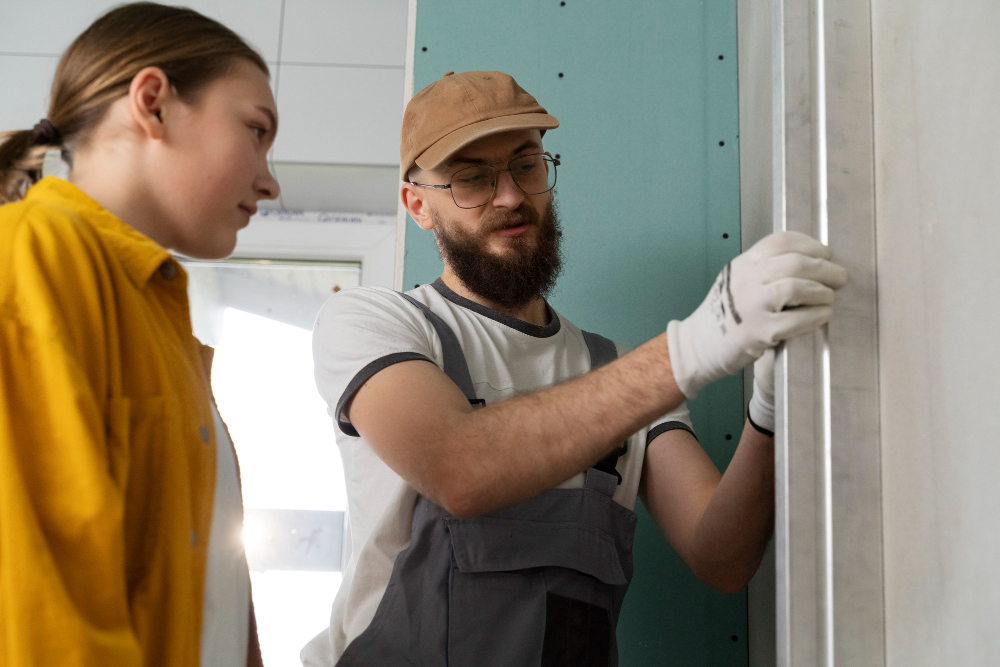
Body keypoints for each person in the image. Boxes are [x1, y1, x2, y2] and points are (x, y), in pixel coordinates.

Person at [302, 70, 848, 666]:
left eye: (526, 165)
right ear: (418, 206)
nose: (510, 196)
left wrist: (768, 413)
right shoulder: (376, 324)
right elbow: (460, 469)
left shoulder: (615, 372)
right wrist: (694, 346)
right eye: (472, 179)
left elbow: (720, 559)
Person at [0, 4, 280, 666]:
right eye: (256, 130)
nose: (270, 180)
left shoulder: (160, 317)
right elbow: (41, 594)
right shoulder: (35, 253)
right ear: (153, 102)